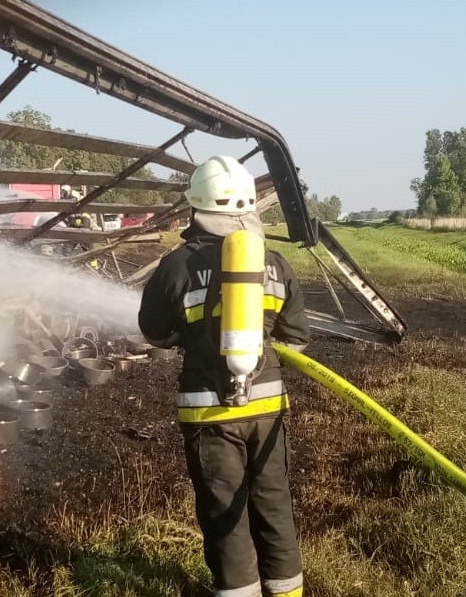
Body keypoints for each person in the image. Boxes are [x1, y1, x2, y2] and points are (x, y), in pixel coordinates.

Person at [139, 155, 310, 597]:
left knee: (223, 512)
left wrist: (194, 337)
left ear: (195, 208)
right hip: (268, 409)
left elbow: (155, 332)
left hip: (209, 413)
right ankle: (287, 591)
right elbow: (296, 340)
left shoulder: (175, 266)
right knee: (273, 503)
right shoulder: (275, 264)